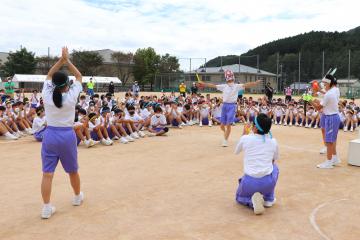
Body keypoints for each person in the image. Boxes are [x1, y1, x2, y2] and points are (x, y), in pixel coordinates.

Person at [40, 47, 84, 219]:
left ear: (54, 85)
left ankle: (46, 207)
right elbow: (79, 76)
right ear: (67, 84)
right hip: (67, 136)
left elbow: (49, 75)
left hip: (50, 135)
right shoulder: (72, 95)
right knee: (72, 170)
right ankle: (77, 197)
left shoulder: (47, 94)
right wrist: (67, 60)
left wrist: (60, 60)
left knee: (47, 173)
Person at [198, 69, 261, 147]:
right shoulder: (224, 86)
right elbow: (213, 85)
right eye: (229, 76)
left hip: (232, 106)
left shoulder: (236, 86)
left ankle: (225, 140)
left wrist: (255, 83)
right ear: (227, 78)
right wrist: (204, 84)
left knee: (228, 125)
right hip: (224, 106)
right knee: (221, 125)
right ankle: (226, 134)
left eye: (231, 76)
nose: (230, 78)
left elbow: (246, 84)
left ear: (232, 77)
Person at [234, 113, 279, 215]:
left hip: (249, 182)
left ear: (254, 127)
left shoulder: (246, 138)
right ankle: (268, 199)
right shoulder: (273, 141)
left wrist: (244, 134)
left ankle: (251, 202)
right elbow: (274, 160)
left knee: (239, 198)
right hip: (268, 182)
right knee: (275, 168)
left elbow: (236, 151)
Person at [307, 74, 341, 169]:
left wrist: (309, 100)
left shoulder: (329, 94)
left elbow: (318, 107)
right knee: (332, 140)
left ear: (330, 83)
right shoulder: (335, 90)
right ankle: (334, 158)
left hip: (330, 117)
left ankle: (329, 162)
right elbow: (326, 93)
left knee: (329, 141)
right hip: (333, 116)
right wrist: (319, 90)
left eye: (325, 84)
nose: (324, 86)